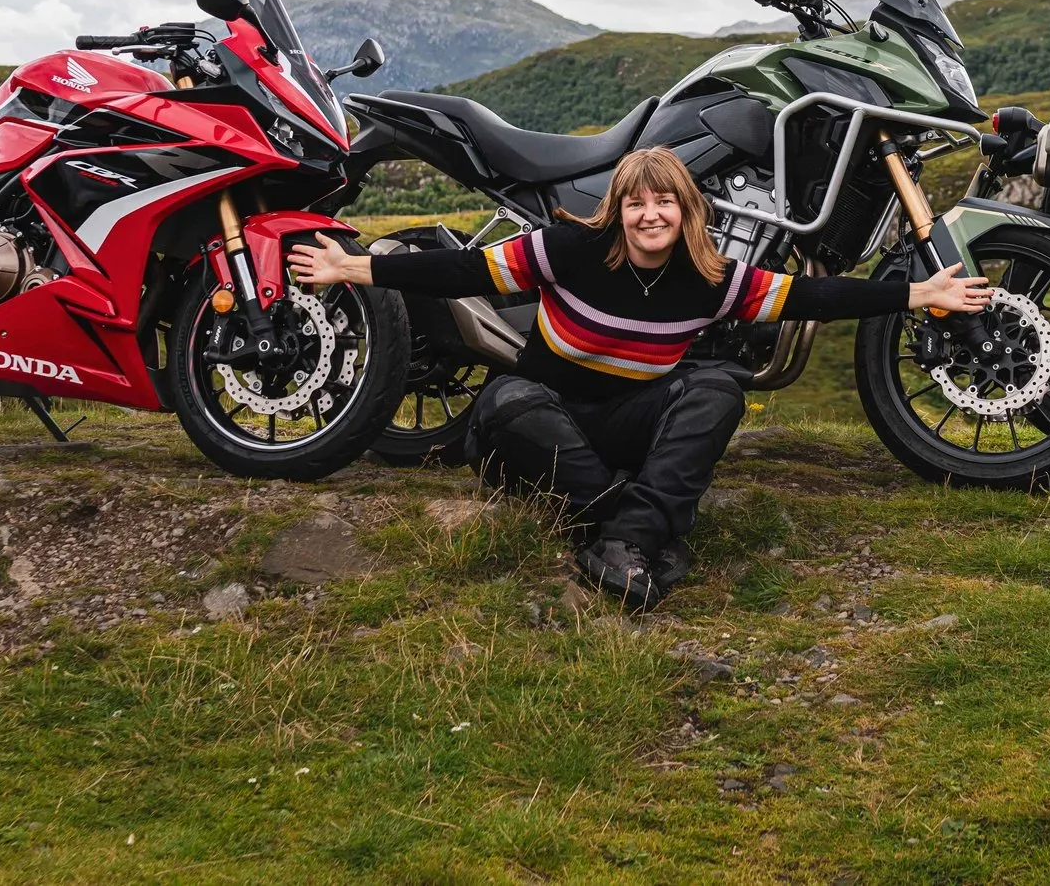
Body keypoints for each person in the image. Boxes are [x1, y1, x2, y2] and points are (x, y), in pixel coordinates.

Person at [292, 145, 989, 608]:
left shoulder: (712, 279)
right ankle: (639, 530)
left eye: (664, 202)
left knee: (718, 386)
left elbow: (814, 296)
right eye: (636, 202)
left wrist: (918, 295)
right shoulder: (568, 250)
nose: (650, 214)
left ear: (685, 210)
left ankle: (620, 539)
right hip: (536, 431)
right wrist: (355, 267)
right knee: (507, 400)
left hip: (622, 431)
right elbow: (462, 271)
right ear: (618, 210)